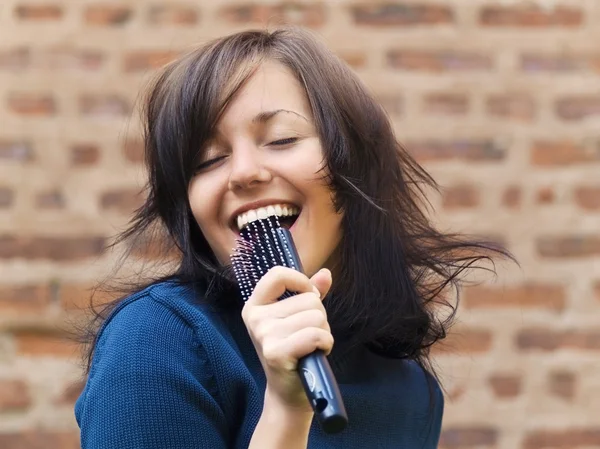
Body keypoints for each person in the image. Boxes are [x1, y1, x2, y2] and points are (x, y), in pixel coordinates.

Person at [75, 27, 509, 448]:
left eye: (281, 139)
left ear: (353, 161)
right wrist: (286, 410)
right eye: (207, 160)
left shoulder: (411, 390)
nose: (244, 172)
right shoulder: (156, 341)